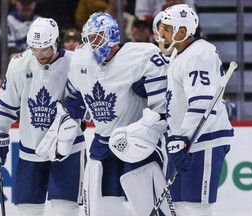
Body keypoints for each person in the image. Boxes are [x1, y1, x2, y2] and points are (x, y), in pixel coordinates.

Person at [64, 12, 175, 216]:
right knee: (103, 205)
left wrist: (149, 125)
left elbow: (163, 108)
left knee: (147, 201)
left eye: (98, 37)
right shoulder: (81, 59)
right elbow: (73, 96)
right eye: (90, 38)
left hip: (136, 139)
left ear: (112, 35)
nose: (94, 44)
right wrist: (72, 117)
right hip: (103, 142)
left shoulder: (142, 55)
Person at [0, 17, 85, 216]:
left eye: (45, 48)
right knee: (28, 210)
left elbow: (93, 101)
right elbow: (6, 104)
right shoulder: (19, 64)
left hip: (68, 149)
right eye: (35, 49)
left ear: (56, 42)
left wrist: (83, 107)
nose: (40, 54)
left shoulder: (75, 62)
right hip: (30, 150)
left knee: (65, 209)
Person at [153, 4, 234, 216]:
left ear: (182, 31)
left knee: (195, 207)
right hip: (182, 141)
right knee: (177, 207)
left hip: (201, 140)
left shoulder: (199, 54)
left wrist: (182, 140)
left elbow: (202, 103)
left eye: (167, 28)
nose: (161, 32)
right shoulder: (180, 54)